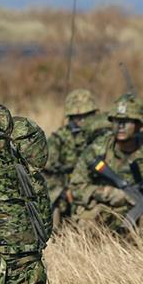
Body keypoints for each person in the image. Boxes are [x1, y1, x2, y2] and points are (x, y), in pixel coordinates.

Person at [69, 93, 143, 234]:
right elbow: (76, 187)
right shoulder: (97, 150)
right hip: (102, 213)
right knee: (88, 224)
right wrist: (109, 194)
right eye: (116, 121)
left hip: (138, 214)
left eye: (127, 121)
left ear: (139, 125)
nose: (120, 126)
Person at [44, 89, 111, 224]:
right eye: (77, 116)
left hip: (97, 187)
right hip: (66, 190)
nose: (82, 120)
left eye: (87, 115)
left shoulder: (103, 136)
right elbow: (44, 172)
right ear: (70, 117)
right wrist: (62, 191)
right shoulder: (59, 139)